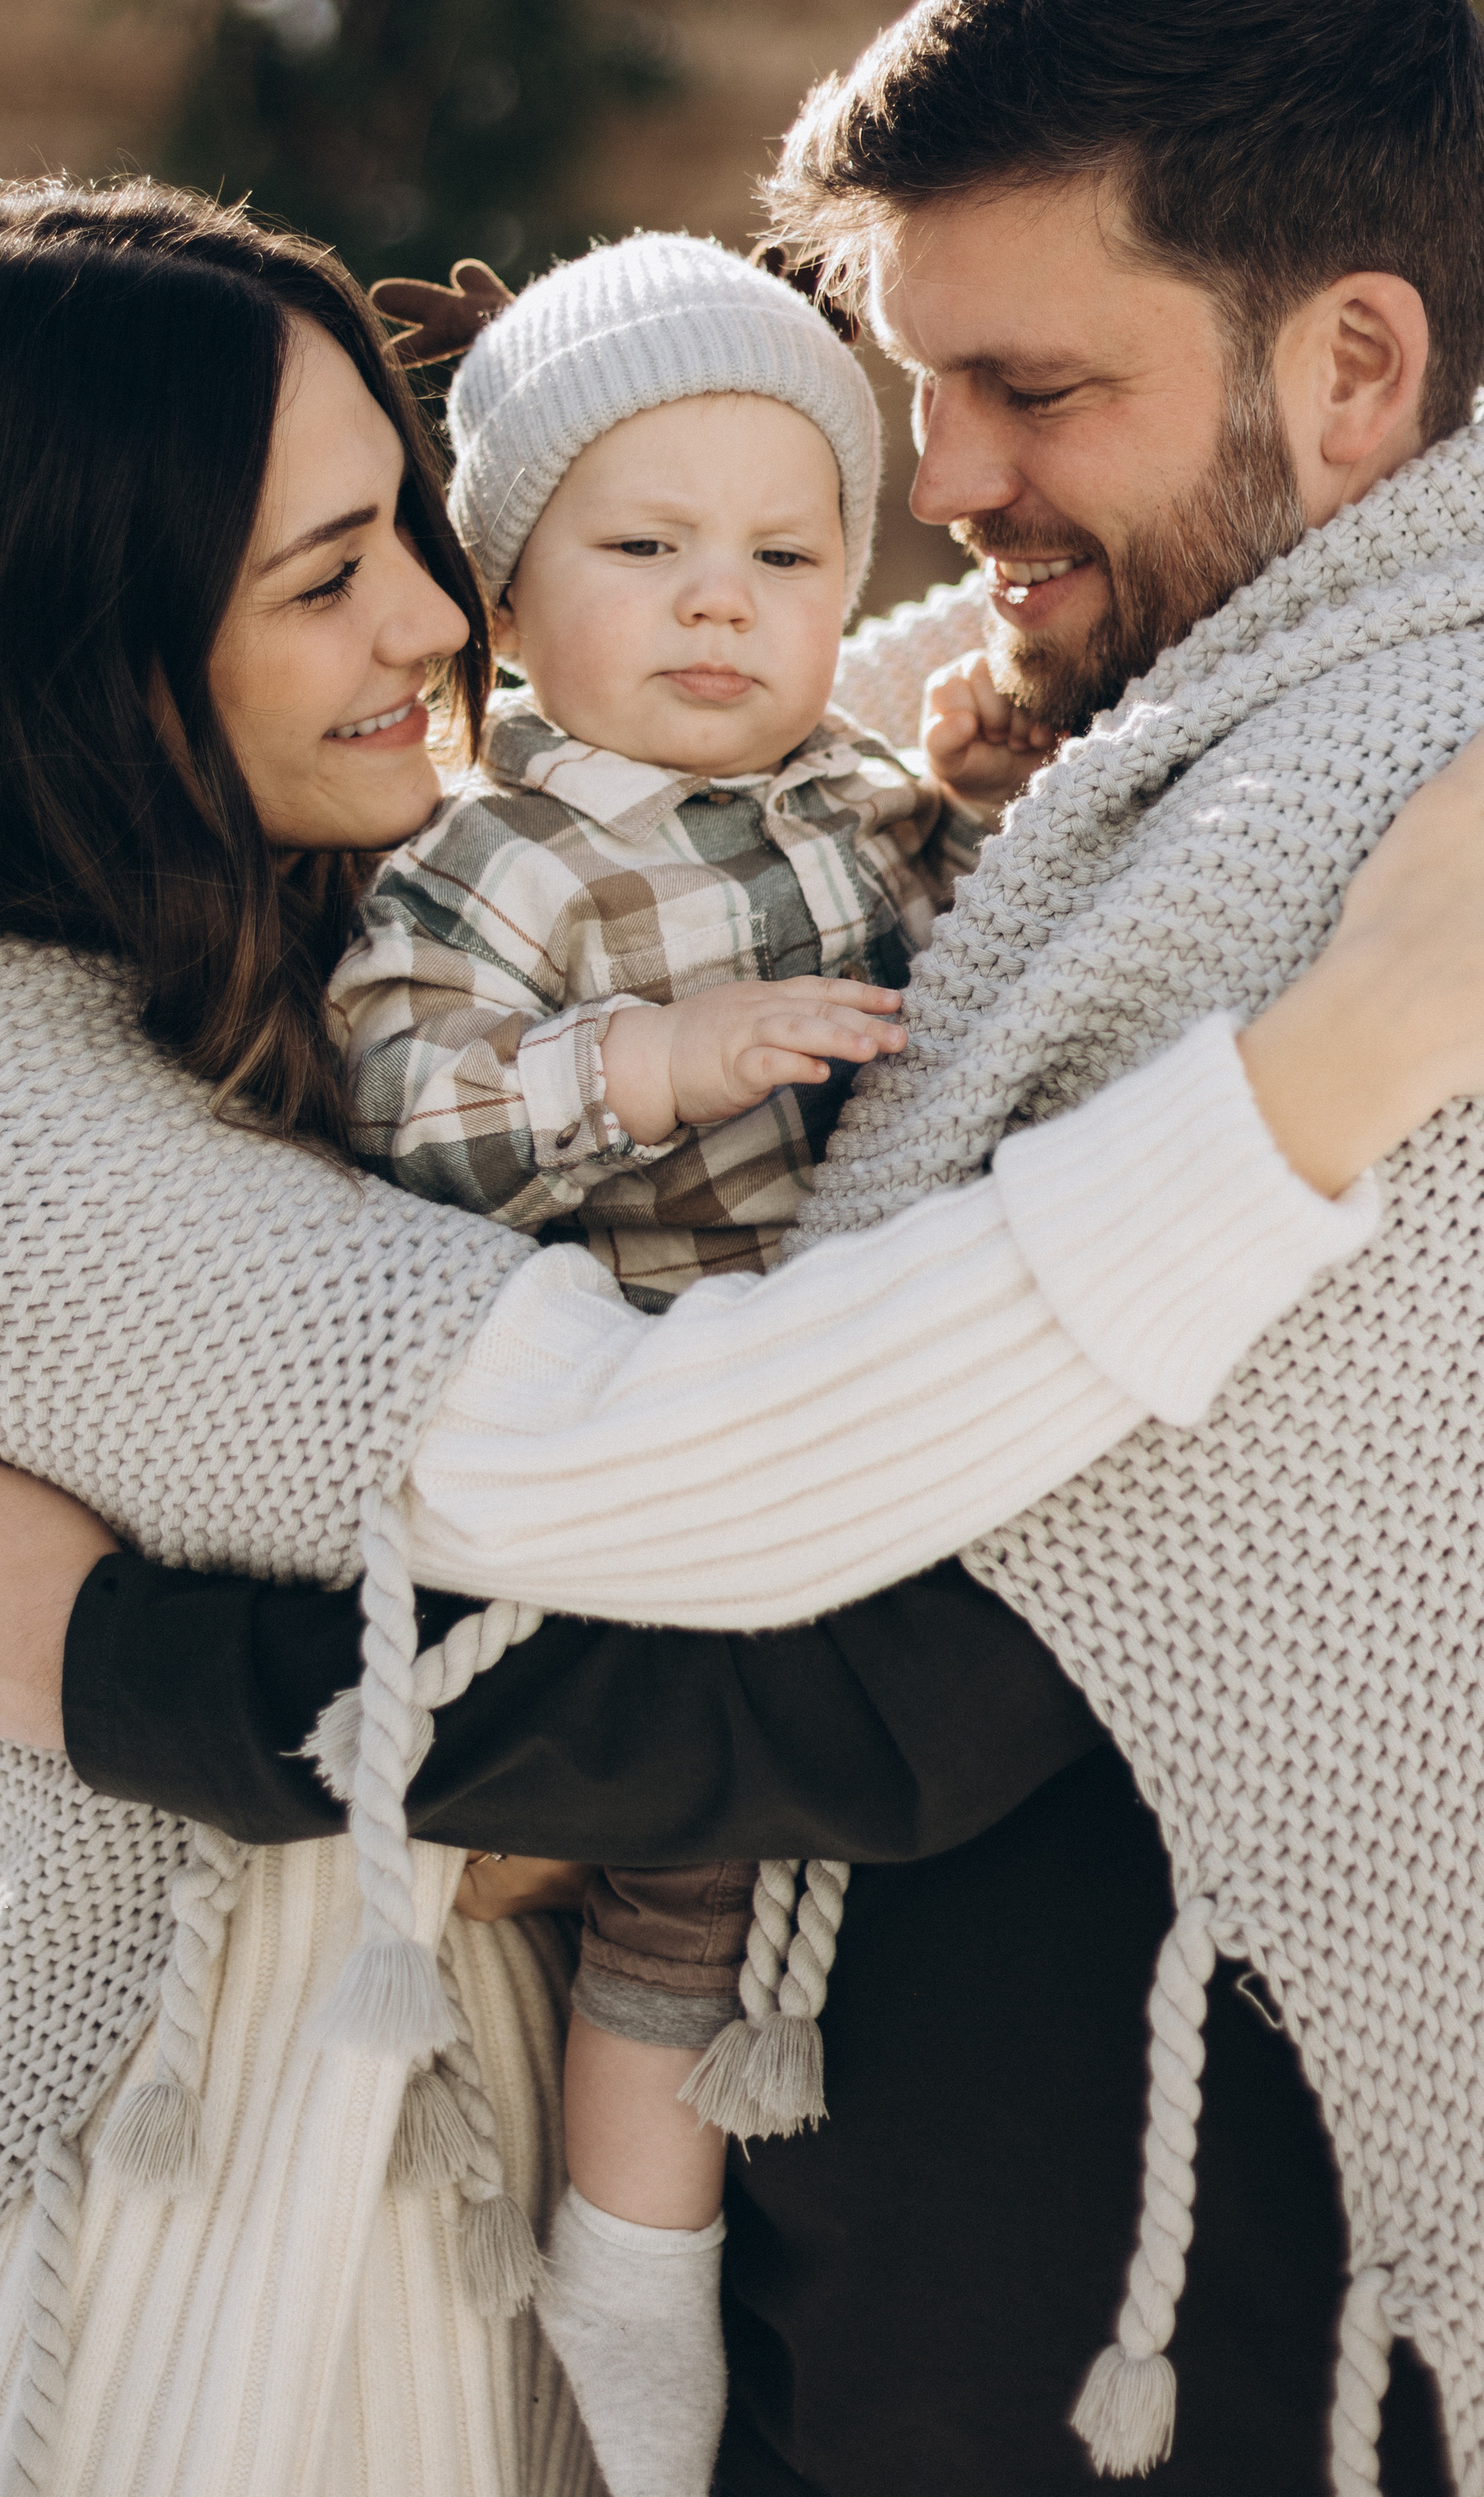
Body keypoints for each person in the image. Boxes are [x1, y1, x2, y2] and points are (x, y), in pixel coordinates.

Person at [0, 0, 1484, 2497]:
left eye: (1029, 391)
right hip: (593, 2301)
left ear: (1357, 367)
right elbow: (703, 785)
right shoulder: (1166, 765)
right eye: (917, 384)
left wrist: (136, 1681)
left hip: (1177, 2373)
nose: (938, 479)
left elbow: (888, 1672)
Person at [327, 228, 1058, 2497]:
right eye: (644, 551)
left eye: (784, 550)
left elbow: (964, 956)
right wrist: (643, 1059)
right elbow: (403, 1108)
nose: (720, 604)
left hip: (865, 1422)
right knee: (692, 1887)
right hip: (649, 1449)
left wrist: (974, 799)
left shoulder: (842, 799)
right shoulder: (503, 854)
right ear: (513, 604)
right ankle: (630, 2294)